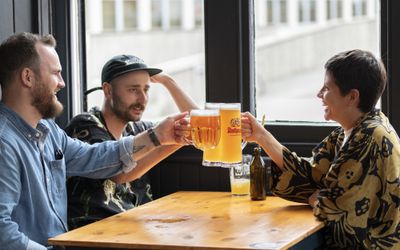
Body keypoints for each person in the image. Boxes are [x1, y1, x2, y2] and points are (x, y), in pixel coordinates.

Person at [0, 32, 187, 249]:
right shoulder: (5, 143)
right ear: (28, 77)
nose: (62, 83)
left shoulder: (47, 129)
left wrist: (158, 136)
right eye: (56, 73)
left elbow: (93, 157)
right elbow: (3, 232)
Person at [242, 49, 400, 249]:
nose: (319, 94)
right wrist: (261, 136)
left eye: (326, 88)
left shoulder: (370, 138)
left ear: (352, 97)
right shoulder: (352, 131)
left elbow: (342, 215)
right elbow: (311, 176)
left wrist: (321, 199)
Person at [64, 54, 198, 229]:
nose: (142, 99)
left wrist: (169, 82)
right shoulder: (85, 125)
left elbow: (199, 125)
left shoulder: (135, 130)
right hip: (92, 235)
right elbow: (120, 173)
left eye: (146, 90)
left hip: (135, 228)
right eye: (133, 90)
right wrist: (171, 140)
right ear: (108, 90)